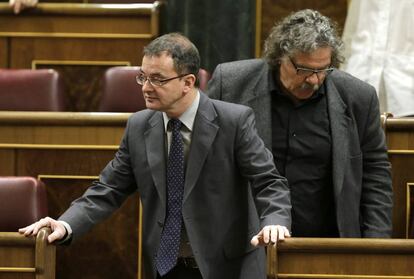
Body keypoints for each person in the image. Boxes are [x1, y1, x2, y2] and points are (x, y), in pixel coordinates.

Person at [19, 33, 292, 279]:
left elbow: (268, 181)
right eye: (143, 77)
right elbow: (108, 188)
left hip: (228, 267)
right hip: (167, 266)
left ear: (188, 82)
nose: (146, 87)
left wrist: (275, 222)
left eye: (158, 79)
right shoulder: (139, 126)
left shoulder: (233, 121)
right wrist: (66, 223)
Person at [207, 9, 393, 238]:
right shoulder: (231, 84)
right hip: (246, 241)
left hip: (328, 244)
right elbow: (205, 157)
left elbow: (375, 174)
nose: (314, 80)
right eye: (304, 70)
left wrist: (375, 246)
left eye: (322, 70)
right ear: (280, 57)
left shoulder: (358, 97)